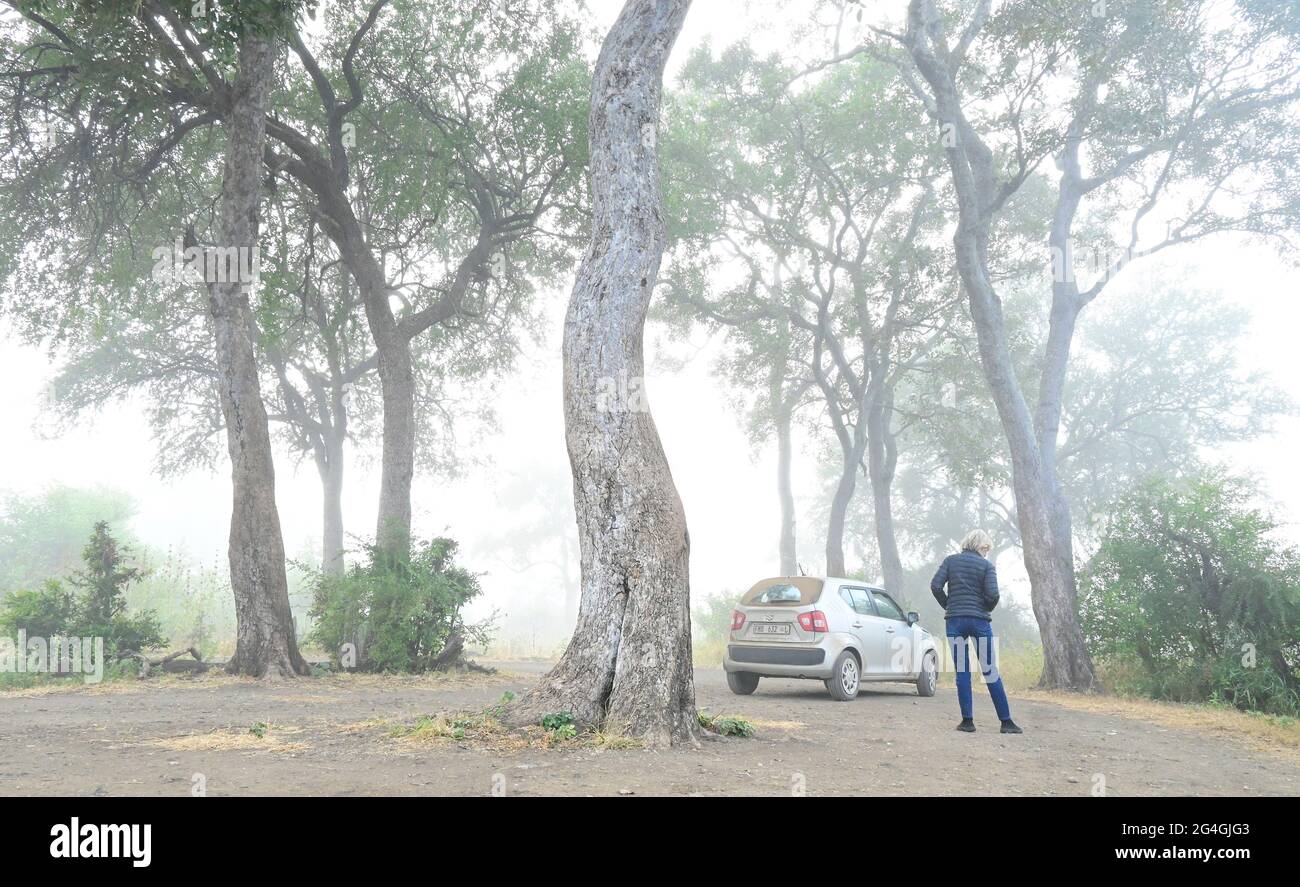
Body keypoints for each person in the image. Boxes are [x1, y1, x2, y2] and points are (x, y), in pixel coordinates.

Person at [930, 529, 1022, 734]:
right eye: (985, 548)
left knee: (963, 671)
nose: (986, 553)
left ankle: (967, 722)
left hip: (955, 622)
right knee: (989, 670)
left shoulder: (950, 561)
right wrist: (985, 609)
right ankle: (1006, 723)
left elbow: (936, 585)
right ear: (980, 546)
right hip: (979, 621)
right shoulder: (987, 566)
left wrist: (949, 605)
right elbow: (993, 594)